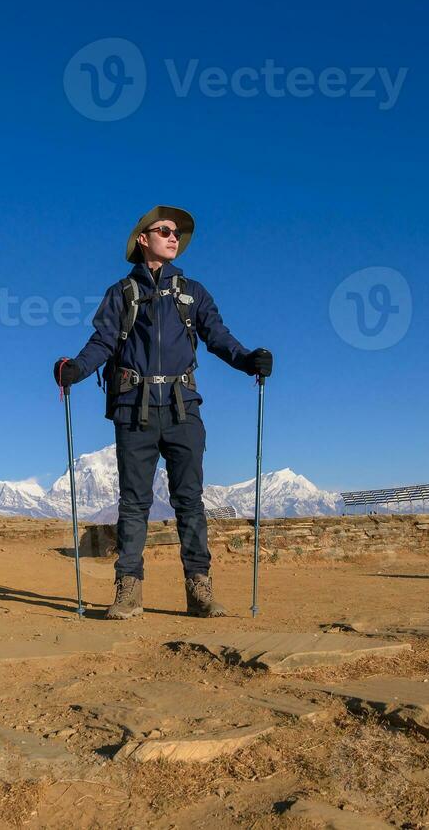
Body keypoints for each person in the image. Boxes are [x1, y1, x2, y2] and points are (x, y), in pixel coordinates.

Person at [53, 206, 273, 619]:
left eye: (177, 233)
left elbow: (218, 336)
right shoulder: (120, 293)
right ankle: (128, 593)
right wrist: (77, 369)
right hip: (133, 411)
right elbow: (102, 342)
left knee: (190, 501)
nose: (174, 238)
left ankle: (199, 592)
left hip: (182, 408)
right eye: (165, 231)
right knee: (133, 503)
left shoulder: (194, 293)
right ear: (143, 238)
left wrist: (248, 360)